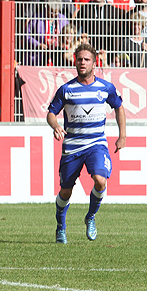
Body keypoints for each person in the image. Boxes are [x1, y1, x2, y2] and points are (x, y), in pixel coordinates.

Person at [47, 43, 126, 244]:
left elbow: (119, 107)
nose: (82, 63)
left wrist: (122, 136)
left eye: (86, 59)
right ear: (75, 62)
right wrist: (55, 125)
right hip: (72, 147)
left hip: (96, 144)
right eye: (79, 59)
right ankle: (61, 226)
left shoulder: (105, 88)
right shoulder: (66, 89)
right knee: (66, 191)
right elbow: (51, 113)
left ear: (94, 63)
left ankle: (90, 217)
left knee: (100, 180)